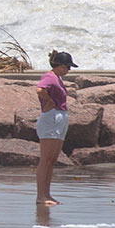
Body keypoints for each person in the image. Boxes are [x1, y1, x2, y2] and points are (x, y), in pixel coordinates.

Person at [36, 50, 77, 206]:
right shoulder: (49, 76)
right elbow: (40, 90)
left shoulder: (58, 78)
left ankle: (47, 194)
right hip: (51, 119)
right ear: (59, 65)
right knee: (46, 159)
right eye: (67, 66)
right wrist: (49, 102)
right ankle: (41, 196)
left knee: (52, 160)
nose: (69, 70)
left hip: (59, 118)